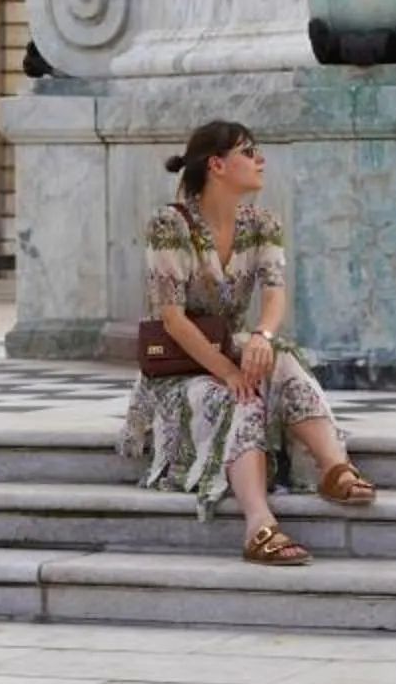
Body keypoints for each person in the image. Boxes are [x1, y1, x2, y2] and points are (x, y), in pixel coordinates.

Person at [120, 119, 374, 567]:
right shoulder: (169, 224)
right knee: (245, 397)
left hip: (232, 349)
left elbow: (275, 295)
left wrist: (262, 336)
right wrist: (231, 372)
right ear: (217, 165)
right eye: (248, 152)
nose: (261, 160)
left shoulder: (262, 223)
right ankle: (259, 524)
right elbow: (174, 319)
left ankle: (335, 467)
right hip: (179, 367)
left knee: (281, 356)